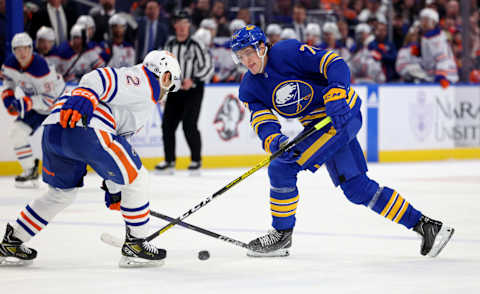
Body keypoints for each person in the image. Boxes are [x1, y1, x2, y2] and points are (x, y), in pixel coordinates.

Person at [230, 25, 454, 257]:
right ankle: (427, 227)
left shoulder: (287, 52)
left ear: (262, 47)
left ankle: (281, 235)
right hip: (318, 126)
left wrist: (337, 90)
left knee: (281, 167)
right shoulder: (249, 88)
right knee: (356, 188)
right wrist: (275, 140)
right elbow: (262, 120)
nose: (246, 60)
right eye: (241, 55)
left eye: (249, 52)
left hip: (341, 113)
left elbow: (333, 62)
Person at [0, 50, 182, 267]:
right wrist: (85, 94)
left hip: (54, 130)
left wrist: (115, 190)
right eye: (169, 86)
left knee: (60, 194)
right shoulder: (144, 81)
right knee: (138, 177)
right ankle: (136, 243)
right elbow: (98, 78)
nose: (166, 93)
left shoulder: (138, 100)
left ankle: (14, 239)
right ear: (165, 75)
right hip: (86, 127)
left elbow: (119, 145)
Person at [1, 32, 65, 188]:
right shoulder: (10, 64)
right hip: (36, 104)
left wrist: (26, 103)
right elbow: (8, 81)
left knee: (62, 143)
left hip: (58, 104)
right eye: (17, 49)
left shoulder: (40, 66)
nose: (21, 53)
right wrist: (8, 98)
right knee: (17, 133)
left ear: (31, 49)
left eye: (25, 49)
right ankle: (30, 169)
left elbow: (50, 100)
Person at [155, 11, 213, 175]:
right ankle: (169, 160)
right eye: (178, 24)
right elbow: (162, 68)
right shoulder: (169, 45)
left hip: (193, 91)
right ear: (175, 26)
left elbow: (208, 66)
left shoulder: (197, 44)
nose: (181, 27)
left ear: (189, 26)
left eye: (184, 24)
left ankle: (196, 159)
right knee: (167, 125)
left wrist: (193, 80)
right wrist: (164, 90)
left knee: (189, 124)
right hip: (174, 91)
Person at [419, 8, 458, 88]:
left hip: (446, 77)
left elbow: (442, 59)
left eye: (426, 20)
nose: (423, 23)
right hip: (433, 76)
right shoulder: (427, 36)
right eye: (422, 20)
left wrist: (441, 76)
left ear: (434, 22)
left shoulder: (435, 37)